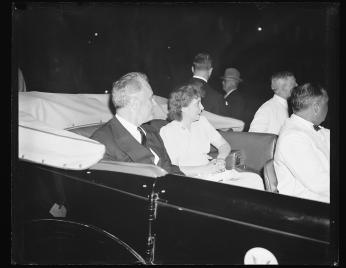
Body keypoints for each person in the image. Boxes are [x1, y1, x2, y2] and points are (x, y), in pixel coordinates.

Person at [159, 84, 264, 190]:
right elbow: (173, 170)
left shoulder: (202, 122)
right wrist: (205, 169)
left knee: (255, 179)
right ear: (183, 108)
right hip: (191, 180)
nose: (202, 107)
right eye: (197, 104)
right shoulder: (168, 131)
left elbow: (223, 145)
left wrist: (220, 159)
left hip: (210, 174)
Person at [91, 72, 182, 175]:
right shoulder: (101, 144)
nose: (154, 103)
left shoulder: (151, 131)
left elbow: (168, 168)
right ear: (134, 104)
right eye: (150, 98)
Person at [274, 83, 329, 203]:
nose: (328, 108)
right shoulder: (292, 138)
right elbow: (320, 183)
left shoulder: (311, 128)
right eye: (327, 104)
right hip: (308, 205)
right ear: (316, 107)